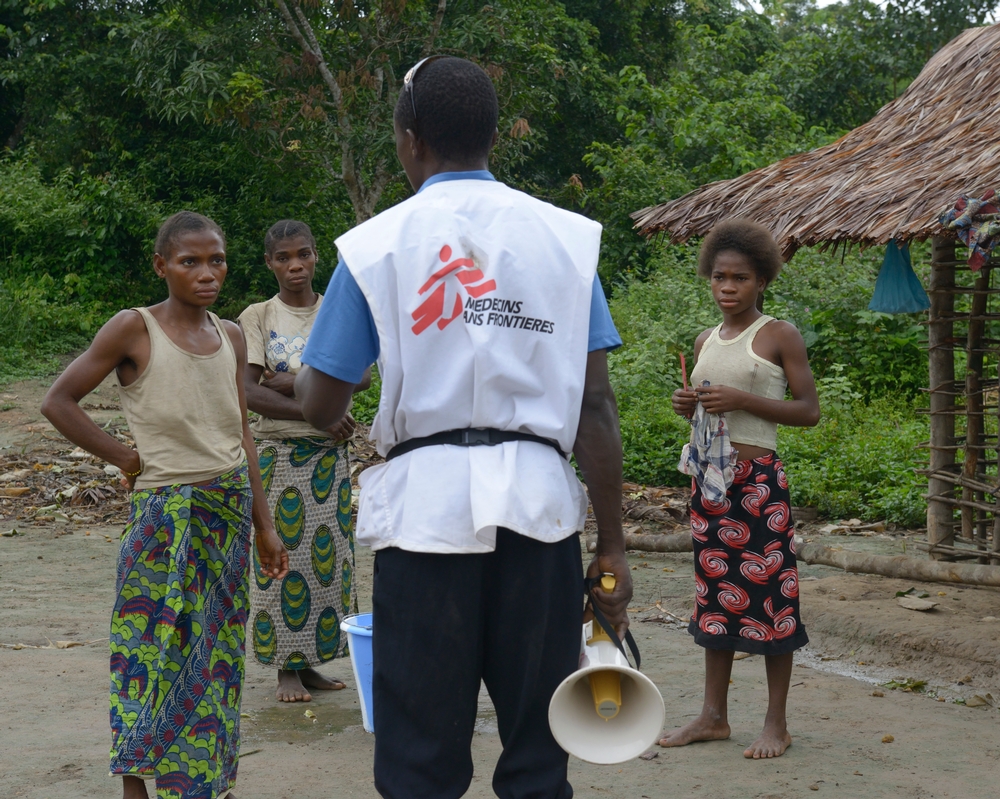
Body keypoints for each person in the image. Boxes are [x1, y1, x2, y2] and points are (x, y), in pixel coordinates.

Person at [293, 56, 631, 798]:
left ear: (410, 140)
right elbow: (595, 408)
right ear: (490, 137)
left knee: (420, 754)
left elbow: (319, 403)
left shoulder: (375, 244)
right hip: (540, 513)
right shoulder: (567, 241)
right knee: (542, 746)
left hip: (426, 518)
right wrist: (610, 545)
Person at [41, 211, 289, 799]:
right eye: (190, 262)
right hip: (165, 517)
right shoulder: (134, 329)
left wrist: (265, 525)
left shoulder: (230, 335)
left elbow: (242, 435)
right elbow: (60, 401)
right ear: (161, 266)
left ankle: (201, 783)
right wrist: (126, 458)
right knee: (148, 647)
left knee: (216, 653)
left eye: (217, 260)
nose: (207, 274)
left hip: (227, 514)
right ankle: (136, 782)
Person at [662, 218, 820, 759]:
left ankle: (776, 723)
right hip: (711, 483)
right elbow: (707, 402)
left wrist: (742, 399)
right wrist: (689, 404)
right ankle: (713, 717)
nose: (728, 287)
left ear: (762, 282)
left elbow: (808, 411)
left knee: (773, 596)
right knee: (714, 598)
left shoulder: (779, 335)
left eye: (740, 278)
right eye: (719, 277)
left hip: (758, 487)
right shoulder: (706, 339)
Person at [238, 219, 370, 702]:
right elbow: (250, 392)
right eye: (283, 257)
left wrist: (288, 378)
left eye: (304, 254)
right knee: (280, 558)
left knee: (328, 561)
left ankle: (312, 662)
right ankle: (284, 671)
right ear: (269, 263)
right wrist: (315, 405)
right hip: (277, 455)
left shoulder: (337, 311)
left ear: (317, 256)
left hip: (327, 458)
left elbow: (361, 379)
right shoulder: (257, 316)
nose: (295, 265)